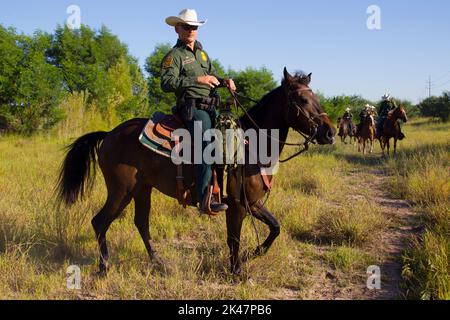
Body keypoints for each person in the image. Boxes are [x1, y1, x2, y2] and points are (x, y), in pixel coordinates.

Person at [161, 9, 236, 214]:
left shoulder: (202, 53)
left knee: (232, 138)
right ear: (177, 29)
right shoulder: (174, 56)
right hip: (192, 108)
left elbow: (210, 76)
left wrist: (224, 81)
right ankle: (204, 199)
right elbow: (167, 83)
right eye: (187, 26)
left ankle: (227, 189)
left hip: (211, 106)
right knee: (207, 145)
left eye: (194, 27)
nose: (191, 30)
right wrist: (197, 80)